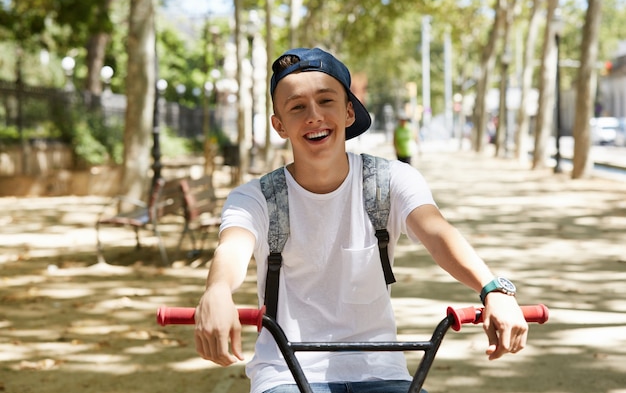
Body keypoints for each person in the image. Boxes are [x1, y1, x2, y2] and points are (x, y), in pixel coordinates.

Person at [194, 47, 528, 393]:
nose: (314, 116)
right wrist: (217, 291)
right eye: (297, 107)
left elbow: (437, 233)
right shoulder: (255, 198)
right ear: (279, 125)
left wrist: (492, 289)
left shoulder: (391, 181)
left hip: (381, 370)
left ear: (349, 111)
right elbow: (232, 248)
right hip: (286, 374)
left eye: (326, 101)